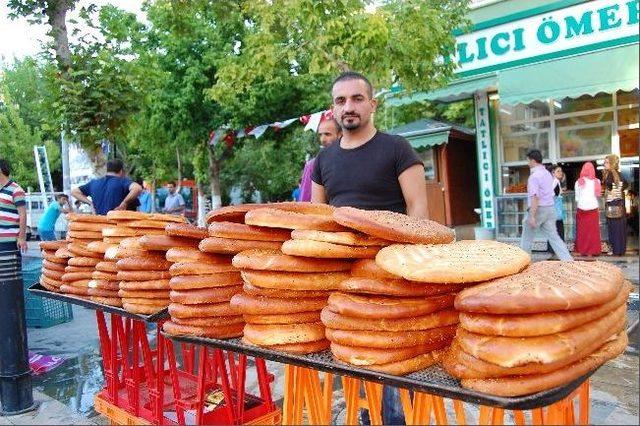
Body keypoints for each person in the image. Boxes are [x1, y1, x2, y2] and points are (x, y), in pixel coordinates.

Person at [312, 71, 428, 425]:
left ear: (372, 104)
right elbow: (318, 220)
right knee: (353, 361)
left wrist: (405, 266)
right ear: (333, 109)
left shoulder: (397, 148)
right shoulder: (324, 160)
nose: (349, 107)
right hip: (342, 281)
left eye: (357, 99)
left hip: (392, 277)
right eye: (341, 101)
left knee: (393, 364)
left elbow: (419, 212)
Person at [520, 149, 573, 261]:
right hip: (550, 209)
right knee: (555, 238)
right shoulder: (547, 174)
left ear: (533, 161)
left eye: (528, 161)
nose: (527, 163)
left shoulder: (534, 177)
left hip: (538, 209)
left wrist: (532, 216)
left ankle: (523, 264)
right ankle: (568, 261)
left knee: (526, 239)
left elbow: (535, 197)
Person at [71, 159, 142, 215]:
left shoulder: (93, 183)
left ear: (107, 170)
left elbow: (74, 192)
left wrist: (90, 203)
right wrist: (124, 203)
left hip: (100, 227)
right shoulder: (123, 182)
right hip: (121, 228)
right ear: (121, 171)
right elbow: (137, 188)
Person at [299, 117, 342, 202]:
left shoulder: (350, 160)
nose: (323, 139)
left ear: (340, 134)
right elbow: (305, 200)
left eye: (327, 134)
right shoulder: (313, 164)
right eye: (320, 135)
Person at [574, 162, 601, 257]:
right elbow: (598, 196)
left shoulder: (578, 182)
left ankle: (582, 250)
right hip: (593, 208)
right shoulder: (597, 181)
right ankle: (592, 251)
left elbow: (577, 198)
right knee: (593, 231)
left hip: (581, 208)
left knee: (582, 231)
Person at [603, 154, 627, 255]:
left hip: (612, 204)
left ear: (612, 163)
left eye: (607, 162)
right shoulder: (619, 174)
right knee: (620, 228)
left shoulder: (609, 174)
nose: (605, 164)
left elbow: (609, 188)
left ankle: (616, 250)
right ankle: (620, 250)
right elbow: (625, 185)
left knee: (613, 228)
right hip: (620, 204)